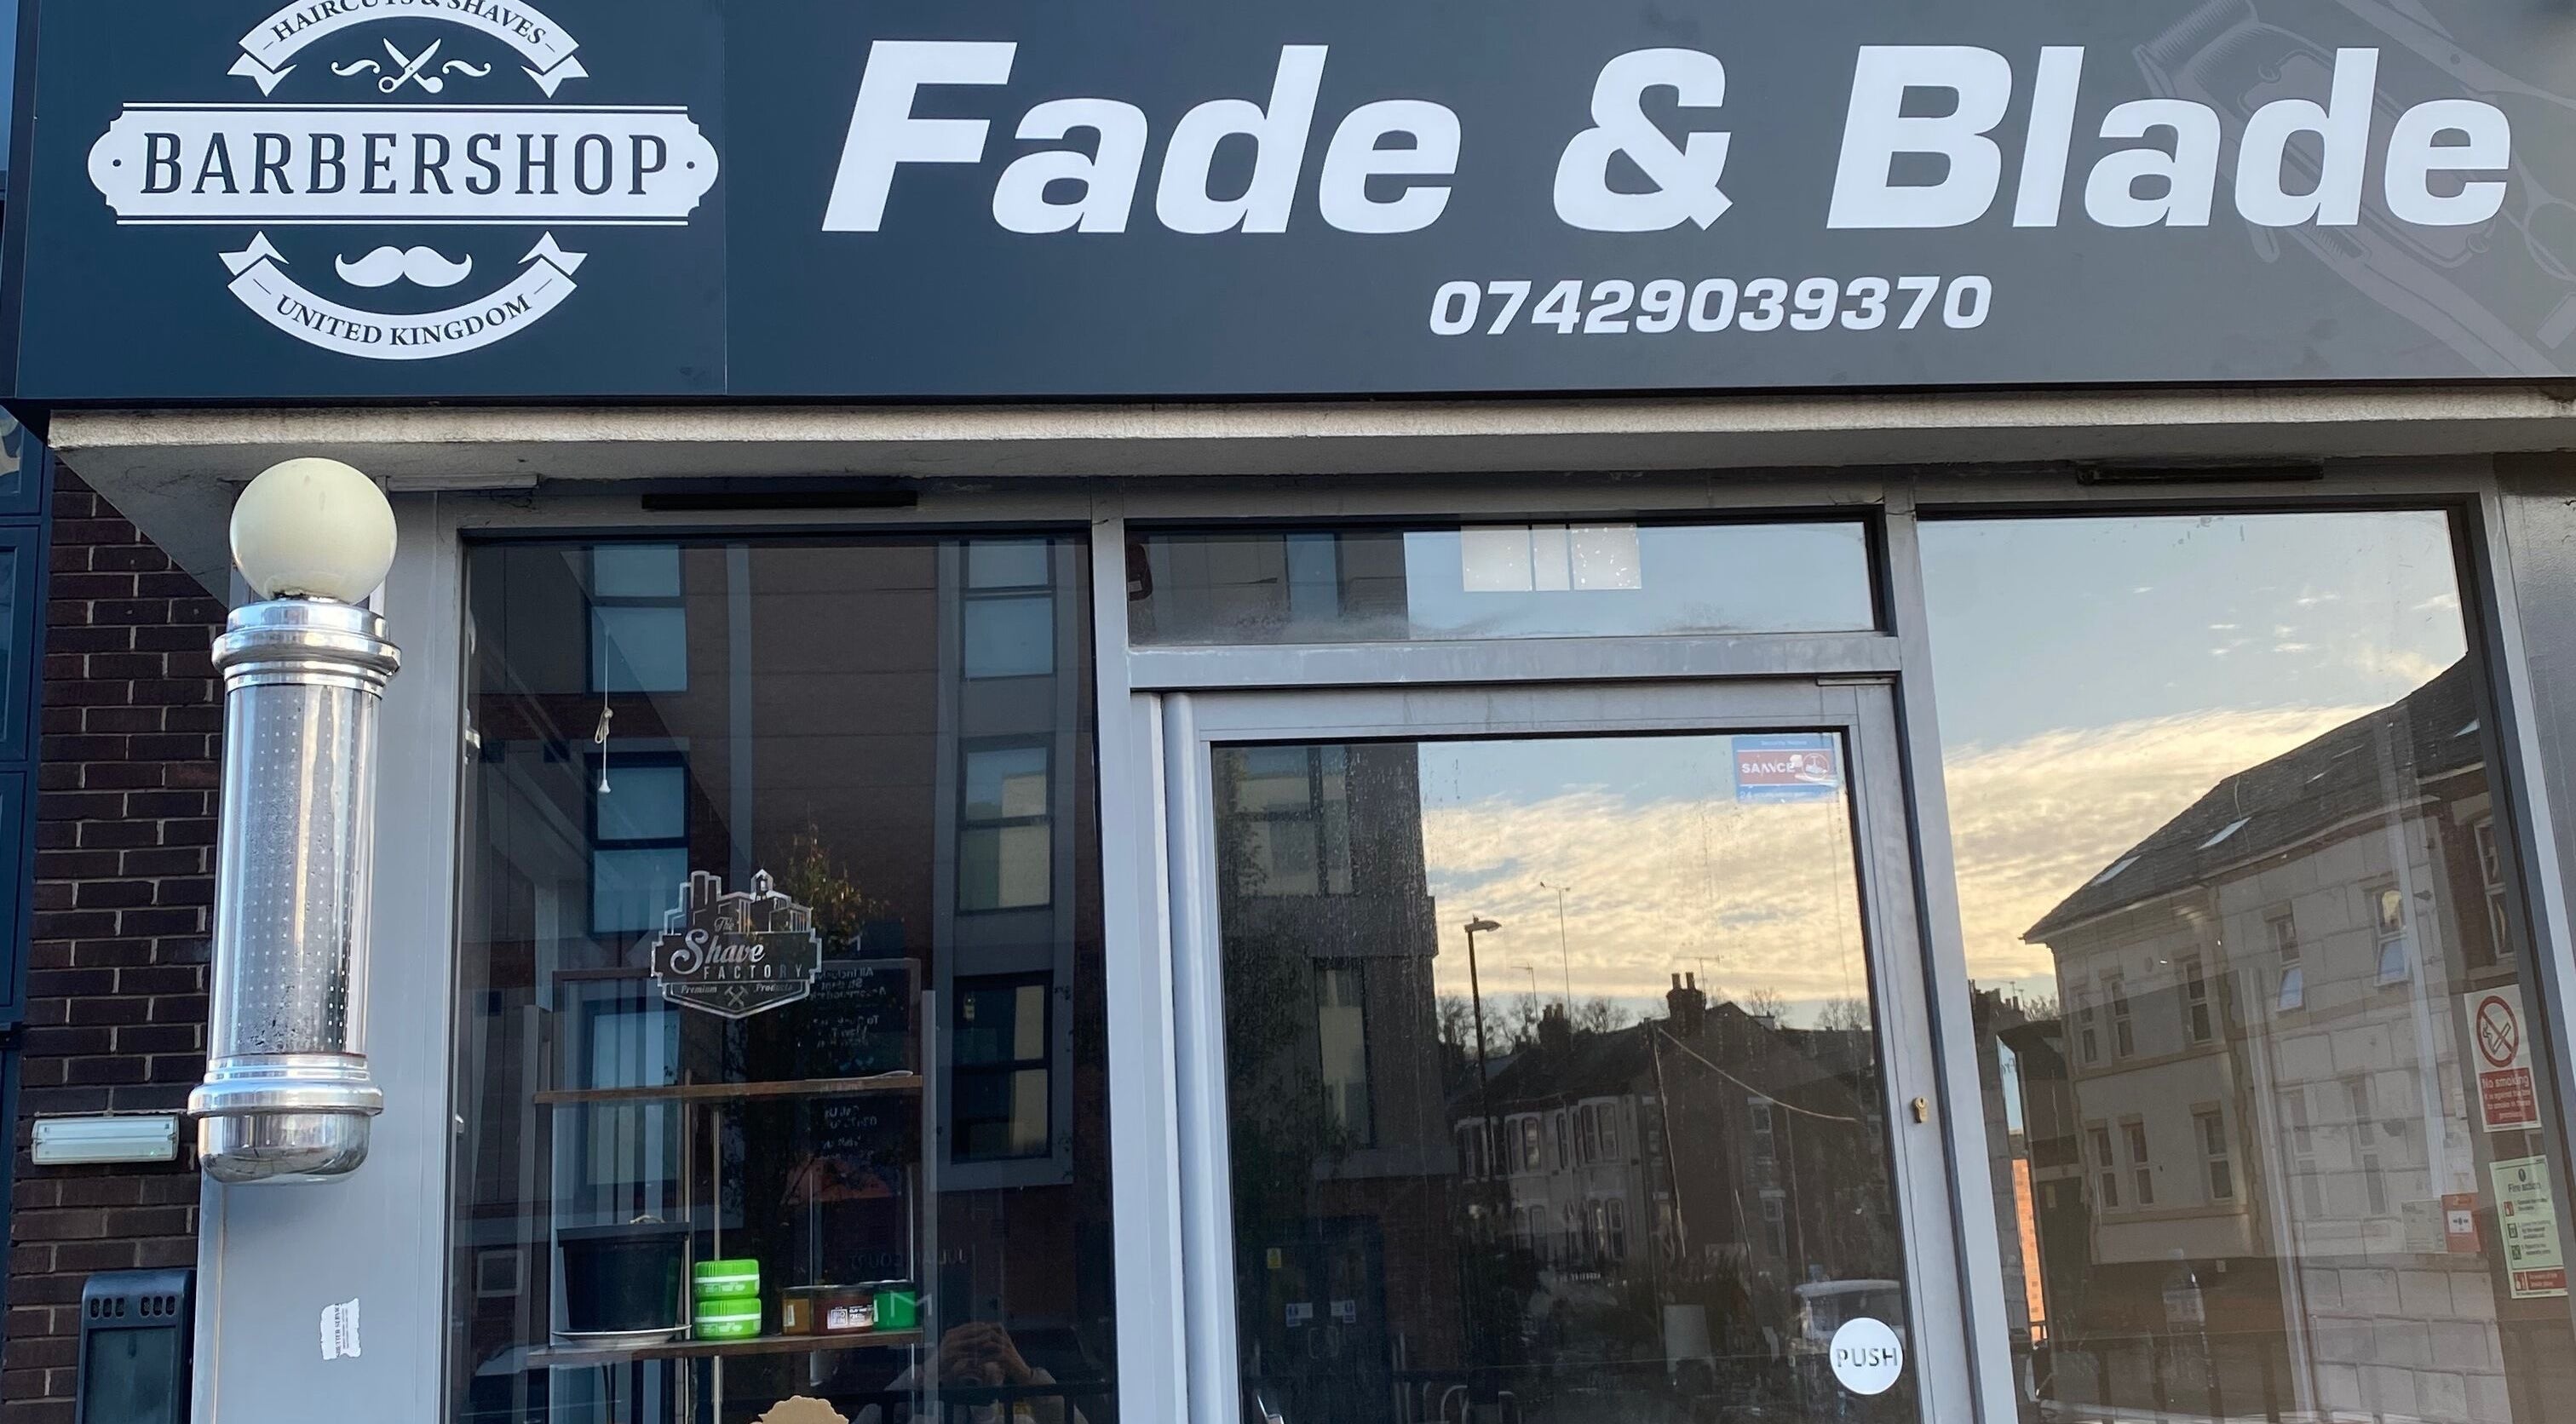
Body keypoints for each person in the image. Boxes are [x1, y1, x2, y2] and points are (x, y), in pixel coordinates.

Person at [853, 1322, 1087, 1424]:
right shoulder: (921, 1422)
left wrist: (1025, 1374)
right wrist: (928, 1370)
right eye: (962, 1352)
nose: (974, 1362)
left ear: (1003, 1373)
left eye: (987, 1354)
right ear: (943, 1371)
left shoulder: (1019, 1422)